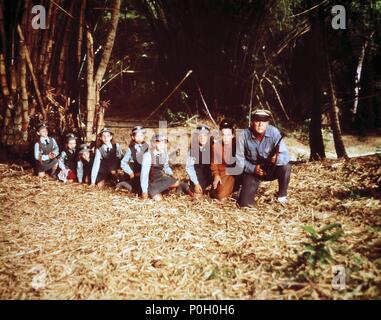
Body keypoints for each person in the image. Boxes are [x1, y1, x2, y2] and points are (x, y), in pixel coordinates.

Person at [236, 109, 291, 207]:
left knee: (286, 167)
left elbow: (285, 156)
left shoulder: (274, 132)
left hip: (270, 169)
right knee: (245, 204)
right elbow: (238, 160)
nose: (260, 124)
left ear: (268, 122)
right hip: (252, 172)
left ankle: (282, 196)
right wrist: (253, 169)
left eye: (264, 121)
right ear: (252, 122)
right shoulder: (243, 135)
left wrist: (276, 159)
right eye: (257, 121)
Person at [140, 134, 179, 201]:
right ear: (153, 144)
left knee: (177, 182)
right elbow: (144, 175)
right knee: (159, 199)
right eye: (159, 142)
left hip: (159, 178)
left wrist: (171, 174)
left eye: (164, 143)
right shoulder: (148, 155)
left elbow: (166, 166)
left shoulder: (164, 153)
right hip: (151, 181)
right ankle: (152, 191)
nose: (162, 145)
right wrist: (144, 191)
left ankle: (160, 190)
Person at [210, 120, 239, 200]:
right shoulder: (216, 146)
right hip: (225, 171)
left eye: (228, 135)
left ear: (233, 135)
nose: (225, 138)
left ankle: (238, 187)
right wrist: (216, 175)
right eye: (223, 135)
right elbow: (214, 163)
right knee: (221, 197)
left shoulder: (238, 144)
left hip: (238, 171)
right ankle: (218, 189)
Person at [185, 125, 213, 197]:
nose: (202, 138)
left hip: (209, 175)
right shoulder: (192, 149)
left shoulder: (213, 147)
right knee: (198, 196)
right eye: (200, 135)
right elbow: (189, 167)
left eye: (205, 135)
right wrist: (196, 183)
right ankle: (185, 187)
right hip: (197, 175)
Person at [119, 126, 149, 193]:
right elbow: (123, 162)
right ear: (133, 137)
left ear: (144, 136)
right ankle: (125, 185)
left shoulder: (146, 146)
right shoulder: (131, 149)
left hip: (144, 169)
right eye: (137, 136)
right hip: (135, 169)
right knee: (137, 189)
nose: (139, 138)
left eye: (141, 136)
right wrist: (130, 172)